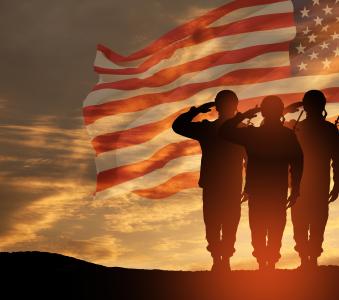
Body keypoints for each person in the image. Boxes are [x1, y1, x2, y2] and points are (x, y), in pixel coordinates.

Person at [219, 96, 303, 270]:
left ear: (263, 112)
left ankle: (264, 262)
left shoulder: (253, 134)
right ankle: (270, 261)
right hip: (276, 189)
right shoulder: (287, 135)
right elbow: (297, 162)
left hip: (258, 189)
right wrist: (295, 189)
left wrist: (245, 115)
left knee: (258, 225)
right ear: (280, 112)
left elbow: (225, 131)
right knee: (275, 225)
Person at [172, 90, 245, 272]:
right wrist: (196, 111)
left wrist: (197, 111)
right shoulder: (217, 129)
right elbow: (178, 127)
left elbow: (249, 158)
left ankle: (222, 259)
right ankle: (220, 259)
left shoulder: (213, 129)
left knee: (222, 222)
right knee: (219, 222)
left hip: (225, 184)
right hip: (222, 184)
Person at [289, 90, 339, 269]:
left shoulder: (298, 128)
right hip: (312, 183)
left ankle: (307, 258)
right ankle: (309, 258)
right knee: (314, 221)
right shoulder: (327, 129)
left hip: (304, 183)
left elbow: (337, 159)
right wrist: (337, 184)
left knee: (305, 221)